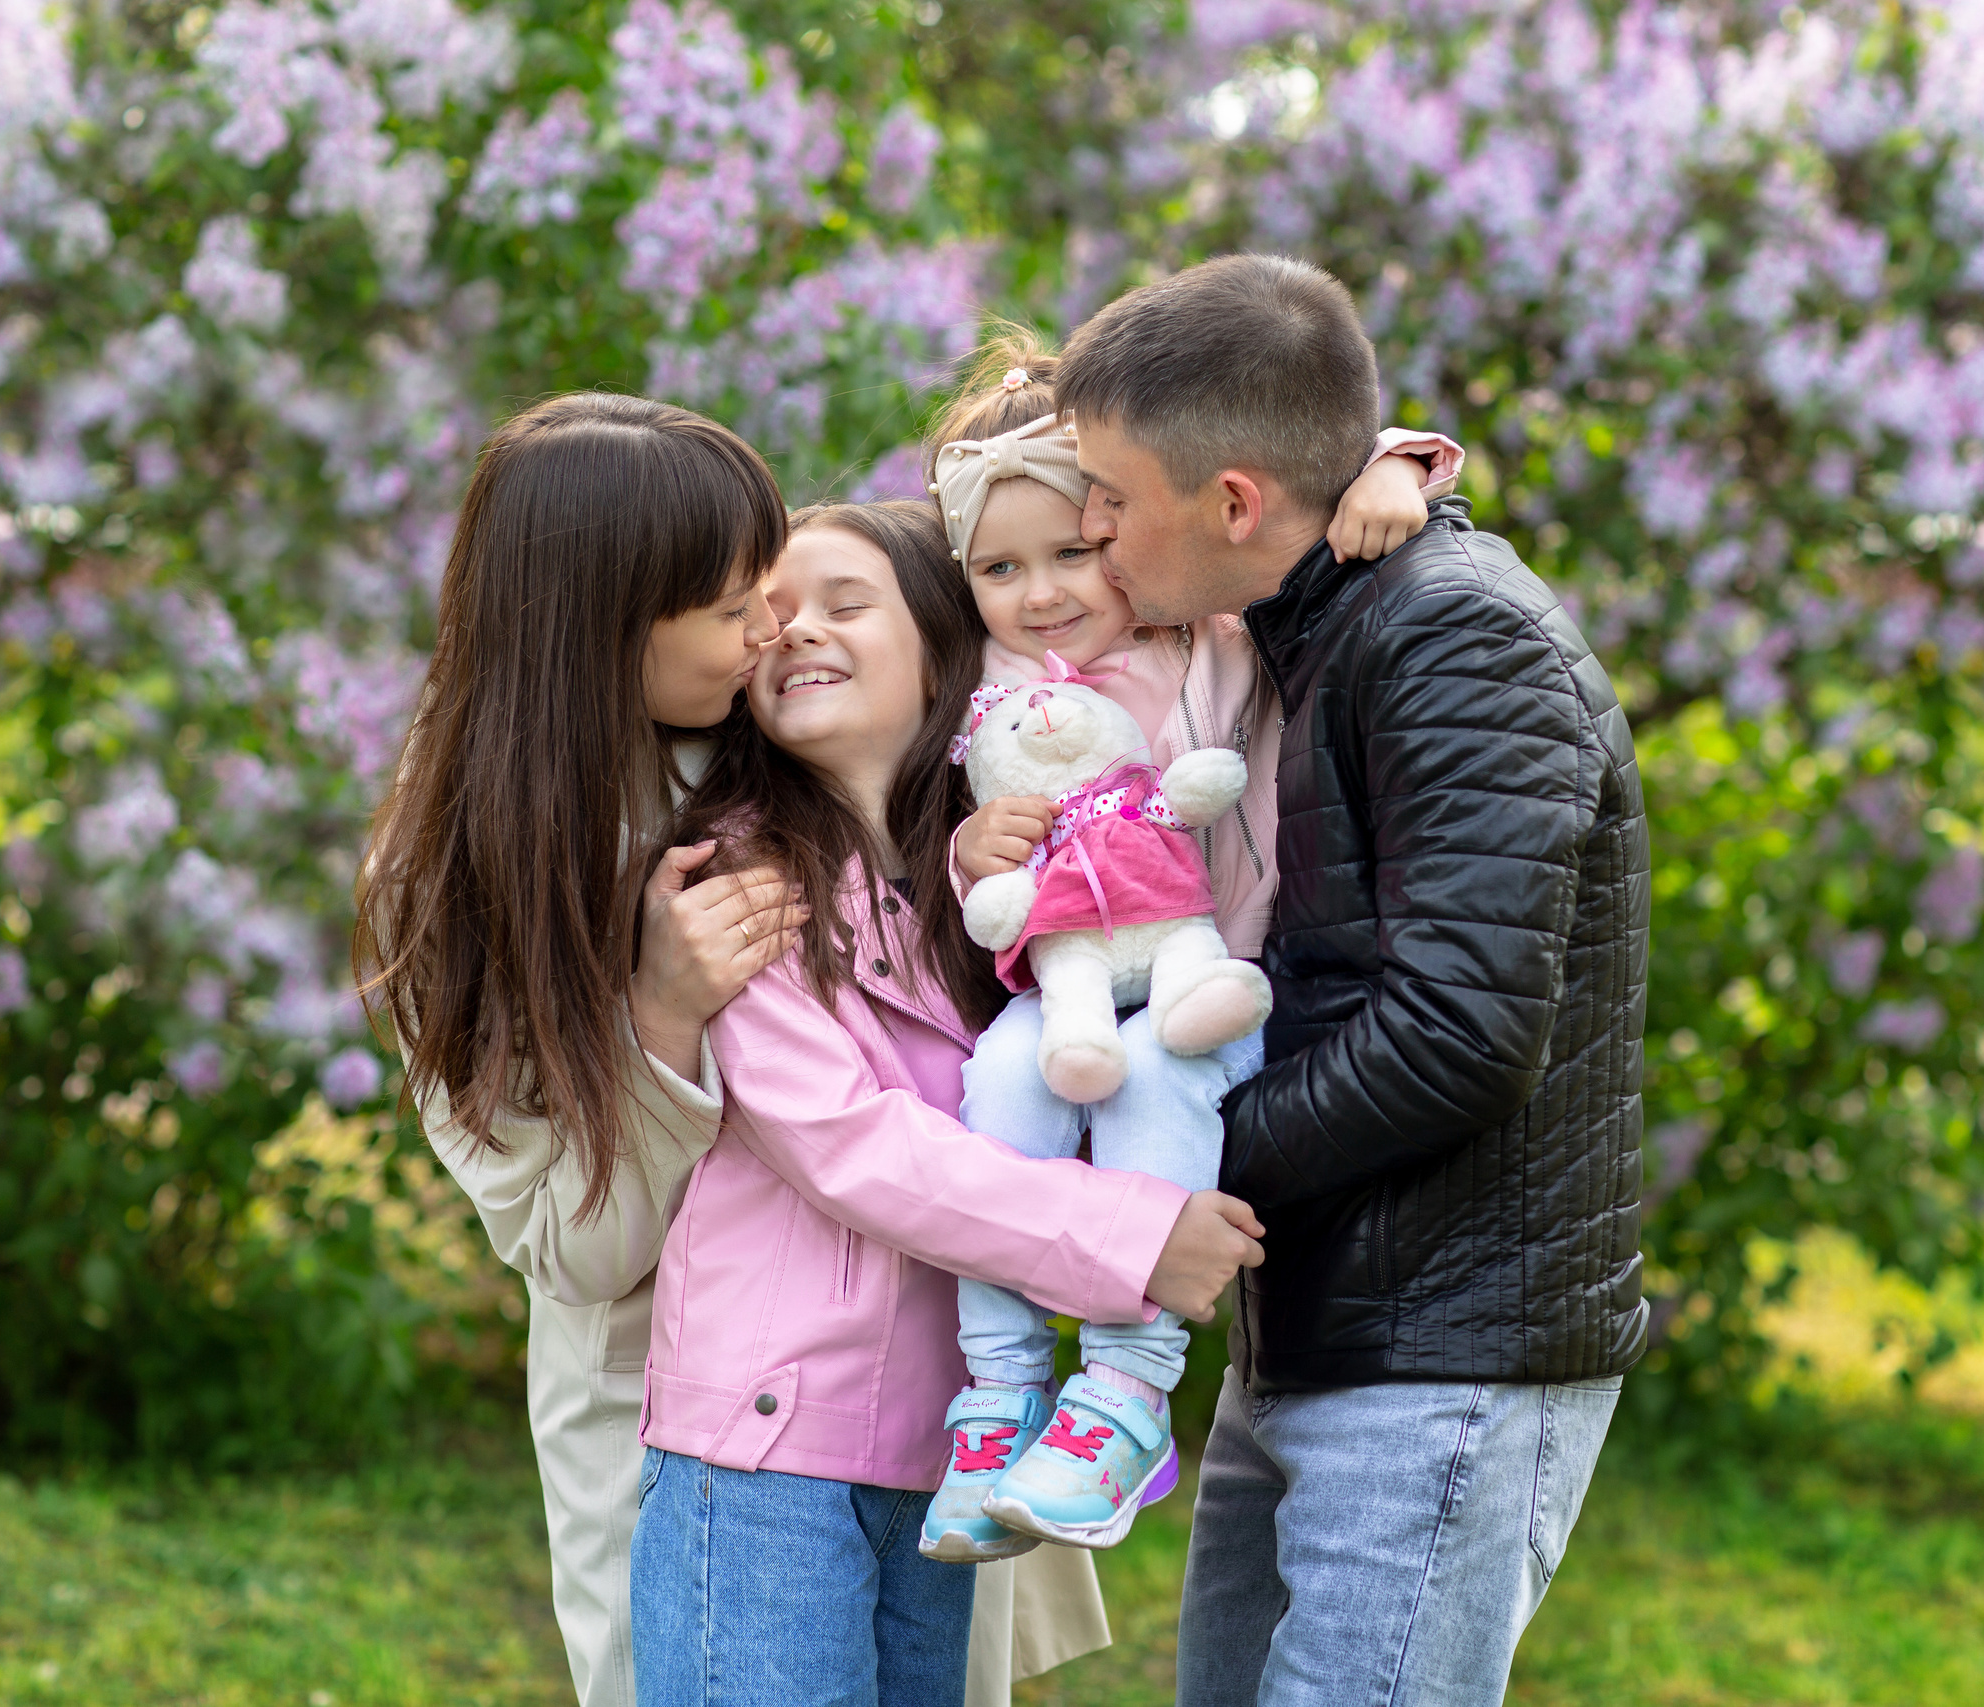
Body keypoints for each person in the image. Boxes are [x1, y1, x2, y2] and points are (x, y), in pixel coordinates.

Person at [352, 396, 1113, 1707]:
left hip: (909, 1382)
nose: (772, 627)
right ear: (608, 630)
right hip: (690, 1415)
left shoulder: (785, 748)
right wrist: (659, 1020)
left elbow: (1058, 619)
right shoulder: (467, 877)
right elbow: (573, 1248)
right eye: (730, 606)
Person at [1055, 256, 1651, 1706]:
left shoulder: (1457, 637)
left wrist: (1171, 1170)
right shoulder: (1307, 626)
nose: (1087, 528)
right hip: (1330, 1323)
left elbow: (1457, 1033)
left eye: (1110, 497)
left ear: (1235, 502)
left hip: (1447, 1354)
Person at [630, 500, 1269, 1707]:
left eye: (844, 603)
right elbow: (851, 1147)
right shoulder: (741, 879)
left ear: (942, 647)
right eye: (772, 612)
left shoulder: (1004, 888)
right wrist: (1133, 1236)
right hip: (767, 1448)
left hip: (946, 1453)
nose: (792, 629)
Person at [909, 333, 1465, 1563]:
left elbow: (1270, 477)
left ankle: (1124, 1393)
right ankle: (999, 1397)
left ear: (1120, 525)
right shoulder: (983, 678)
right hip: (1059, 981)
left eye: (1072, 550)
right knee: (995, 1085)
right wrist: (972, 855)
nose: (1041, 593)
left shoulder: (1202, 632)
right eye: (1000, 567)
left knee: (1160, 1077)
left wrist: (1396, 468)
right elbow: (972, 852)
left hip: (1205, 976)